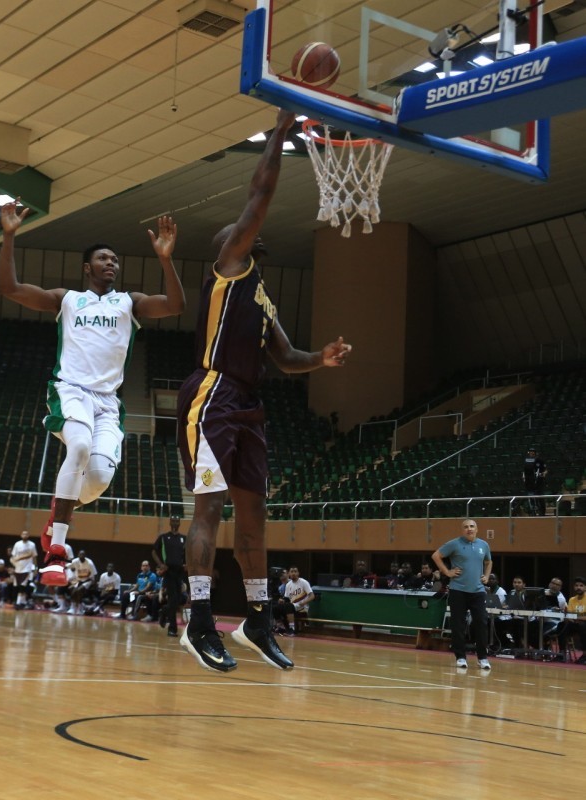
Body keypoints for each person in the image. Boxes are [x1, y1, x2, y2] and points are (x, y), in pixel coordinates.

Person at [176, 108, 352, 673]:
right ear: (230, 245)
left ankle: (257, 617)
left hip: (249, 404)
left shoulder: (261, 295)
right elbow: (259, 196)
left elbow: (286, 355)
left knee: (254, 515)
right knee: (209, 508)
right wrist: (280, 132)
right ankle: (199, 620)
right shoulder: (227, 267)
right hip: (213, 394)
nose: (253, 238)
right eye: (246, 235)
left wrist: (320, 359)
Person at [0, 204, 185, 587]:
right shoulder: (67, 299)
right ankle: (55, 553)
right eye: (103, 258)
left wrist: (166, 260)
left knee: (98, 479)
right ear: (87, 267)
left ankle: (59, 509)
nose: (110, 263)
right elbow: (10, 289)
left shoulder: (129, 302)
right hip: (70, 391)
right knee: (80, 446)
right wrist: (8, 236)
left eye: (114, 259)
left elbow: (176, 306)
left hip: (107, 403)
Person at [431, 518, 493, 670]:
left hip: (478, 591)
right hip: (458, 590)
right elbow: (436, 556)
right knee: (458, 625)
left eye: (472, 526)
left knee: (481, 623)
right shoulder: (454, 544)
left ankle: (482, 658)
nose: (469, 529)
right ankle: (460, 657)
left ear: (476, 529)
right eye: (466, 527)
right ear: (462, 530)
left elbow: (488, 562)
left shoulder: (483, 545)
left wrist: (486, 576)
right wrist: (447, 572)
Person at [151, 515, 186, 637]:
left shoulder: (184, 538)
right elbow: (154, 551)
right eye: (173, 521)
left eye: (177, 521)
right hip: (169, 572)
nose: (175, 522)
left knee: (178, 600)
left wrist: (186, 564)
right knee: (172, 599)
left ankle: (165, 611)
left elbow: (188, 553)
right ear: (170, 523)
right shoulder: (164, 537)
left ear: (179, 523)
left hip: (180, 572)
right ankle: (172, 629)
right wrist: (161, 564)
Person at [273, 566, 314, 635]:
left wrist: (304, 602)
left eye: (295, 571)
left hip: (302, 606)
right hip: (292, 606)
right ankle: (281, 627)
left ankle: (292, 628)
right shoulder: (288, 585)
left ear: (298, 573)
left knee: (288, 605)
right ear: (289, 574)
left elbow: (312, 596)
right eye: (292, 572)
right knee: (276, 607)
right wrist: (282, 601)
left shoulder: (303, 582)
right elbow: (286, 598)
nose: (293, 573)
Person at [557, 577, 586, 663]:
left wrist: (576, 617)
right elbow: (569, 615)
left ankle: (585, 655)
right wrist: (571, 618)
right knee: (561, 625)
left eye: (581, 585)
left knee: (583, 626)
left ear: (585, 587)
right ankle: (562, 654)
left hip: (584, 624)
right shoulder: (572, 599)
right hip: (575, 623)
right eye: (576, 585)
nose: (578, 587)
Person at [10, 530, 37, 609]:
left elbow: (34, 557)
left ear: (28, 535)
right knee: (18, 587)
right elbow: (13, 557)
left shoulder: (32, 544)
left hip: (27, 569)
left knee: (23, 586)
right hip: (18, 569)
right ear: (21, 535)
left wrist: (35, 568)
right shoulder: (17, 544)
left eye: (26, 534)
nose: (25, 535)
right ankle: (22, 602)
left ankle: (18, 603)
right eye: (23, 534)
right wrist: (14, 566)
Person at [68, 549, 97, 615]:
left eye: (83, 554)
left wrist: (94, 584)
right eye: (80, 554)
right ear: (78, 555)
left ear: (85, 556)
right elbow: (67, 566)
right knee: (71, 589)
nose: (81, 555)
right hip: (79, 580)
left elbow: (95, 573)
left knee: (79, 590)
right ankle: (73, 607)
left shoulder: (89, 563)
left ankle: (79, 608)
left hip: (88, 580)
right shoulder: (75, 561)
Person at [522, 446, 547, 516]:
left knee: (540, 497)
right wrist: (524, 476)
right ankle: (533, 511)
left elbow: (545, 470)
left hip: (539, 482)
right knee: (531, 497)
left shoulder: (540, 460)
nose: (531, 453)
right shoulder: (526, 461)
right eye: (530, 452)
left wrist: (543, 474)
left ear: (535, 453)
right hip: (529, 482)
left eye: (533, 452)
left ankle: (542, 512)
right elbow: (524, 471)